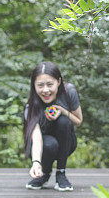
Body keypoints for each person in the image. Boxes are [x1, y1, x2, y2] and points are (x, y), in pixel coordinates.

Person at [22, 61, 83, 191]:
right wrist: (36, 163)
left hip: (67, 142)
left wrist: (62, 110)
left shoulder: (69, 92)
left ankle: (61, 173)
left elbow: (78, 121)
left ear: (59, 81)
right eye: (40, 85)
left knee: (64, 121)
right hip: (45, 146)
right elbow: (36, 137)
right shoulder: (31, 106)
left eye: (50, 84)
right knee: (50, 144)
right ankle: (44, 173)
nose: (45, 90)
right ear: (34, 85)